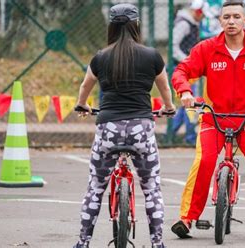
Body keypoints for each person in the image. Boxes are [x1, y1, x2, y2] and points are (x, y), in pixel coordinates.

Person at [170, 0, 245, 240]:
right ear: (219, 21)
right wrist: (184, 92)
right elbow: (181, 71)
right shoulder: (206, 48)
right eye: (226, 17)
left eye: (237, 16)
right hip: (213, 118)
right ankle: (187, 218)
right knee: (204, 162)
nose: (231, 21)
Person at [72, 3, 175, 248]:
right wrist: (169, 107)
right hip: (142, 129)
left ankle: (83, 242)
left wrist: (82, 105)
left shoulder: (100, 56)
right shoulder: (152, 56)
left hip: (108, 128)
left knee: (95, 187)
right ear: (136, 24)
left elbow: (85, 87)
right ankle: (157, 243)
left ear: (111, 26)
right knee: (151, 188)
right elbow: (165, 89)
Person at [170, 0, 206, 145]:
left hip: (189, 69)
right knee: (190, 104)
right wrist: (187, 61)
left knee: (185, 105)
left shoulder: (192, 24)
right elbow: (173, 46)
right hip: (181, 69)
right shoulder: (184, 23)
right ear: (197, 12)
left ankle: (170, 133)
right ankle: (190, 138)